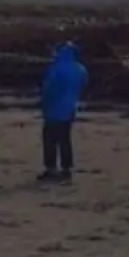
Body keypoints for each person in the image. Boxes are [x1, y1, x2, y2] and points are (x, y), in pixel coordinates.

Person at [39, 42, 88, 183]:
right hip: (70, 109)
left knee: (50, 139)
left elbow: (48, 89)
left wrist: (44, 103)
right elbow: (84, 84)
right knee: (65, 139)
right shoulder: (80, 69)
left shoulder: (55, 68)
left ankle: (51, 168)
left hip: (53, 109)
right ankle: (66, 168)